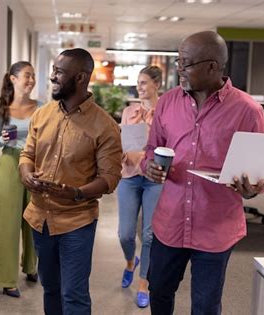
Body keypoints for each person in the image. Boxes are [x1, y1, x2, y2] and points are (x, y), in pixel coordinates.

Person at [143, 31, 264, 314]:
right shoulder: (167, 102)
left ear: (212, 66)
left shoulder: (248, 111)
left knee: (205, 305)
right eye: (177, 61)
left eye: (185, 63)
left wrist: (253, 188)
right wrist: (149, 165)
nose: (178, 69)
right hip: (170, 221)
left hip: (216, 226)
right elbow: (153, 149)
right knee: (159, 291)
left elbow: (258, 174)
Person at [19, 48, 122, 314]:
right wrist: (27, 174)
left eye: (59, 72)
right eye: (54, 70)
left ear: (80, 78)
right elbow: (27, 154)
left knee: (74, 295)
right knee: (51, 289)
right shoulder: (42, 114)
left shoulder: (105, 126)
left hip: (76, 222)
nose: (52, 77)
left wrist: (76, 193)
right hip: (39, 219)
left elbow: (110, 178)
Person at [0, 61, 39, 298]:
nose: (30, 80)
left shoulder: (42, 108)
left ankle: (31, 267)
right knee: (7, 222)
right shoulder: (1, 110)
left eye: (33, 76)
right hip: (9, 163)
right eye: (26, 76)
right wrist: (4, 140)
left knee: (34, 219)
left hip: (36, 166)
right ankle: (6, 278)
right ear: (13, 78)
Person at [117, 66, 163, 308]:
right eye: (138, 82)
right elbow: (123, 142)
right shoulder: (128, 112)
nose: (140, 87)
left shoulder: (164, 113)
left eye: (144, 82)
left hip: (153, 178)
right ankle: (129, 261)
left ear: (157, 84)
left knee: (148, 235)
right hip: (129, 176)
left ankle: (144, 282)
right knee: (125, 233)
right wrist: (122, 153)